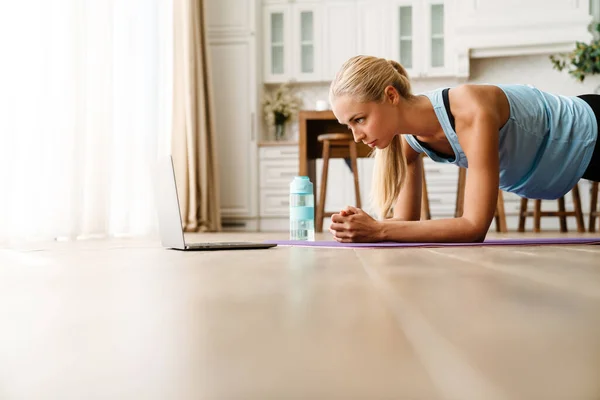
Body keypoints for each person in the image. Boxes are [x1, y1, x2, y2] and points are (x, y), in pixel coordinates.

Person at [327, 55, 600, 243]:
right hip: (570, 162)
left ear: (391, 96)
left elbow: (474, 227)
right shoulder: (407, 143)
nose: (356, 136)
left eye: (359, 119)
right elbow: (403, 225)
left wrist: (378, 229)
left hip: (592, 130)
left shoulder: (470, 109)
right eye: (348, 125)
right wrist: (370, 229)